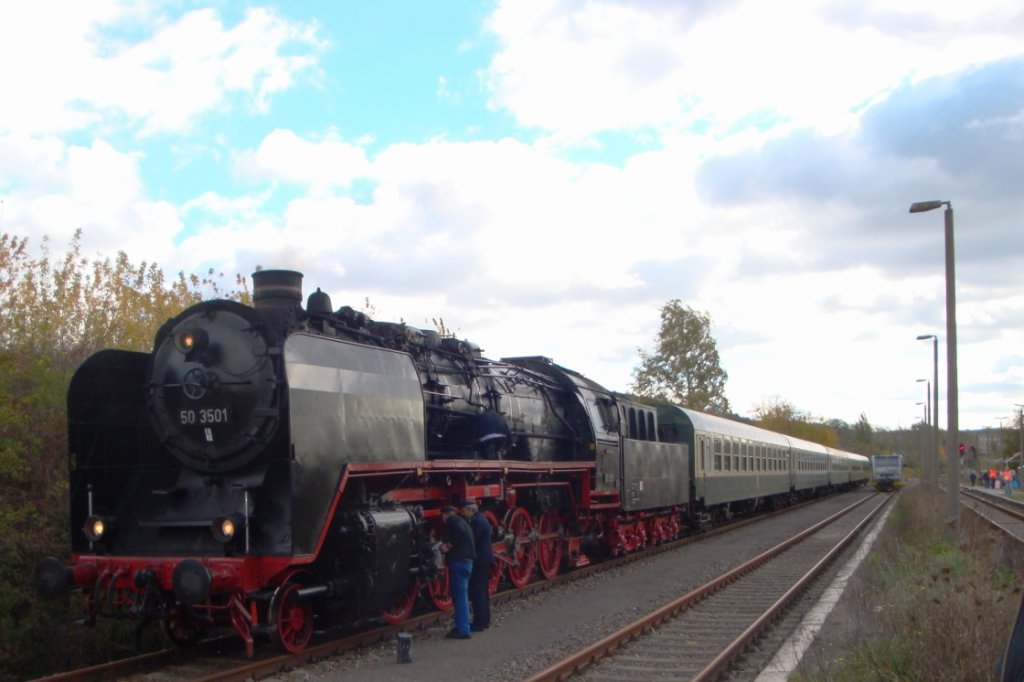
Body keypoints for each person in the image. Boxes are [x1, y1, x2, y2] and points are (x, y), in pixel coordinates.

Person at [440, 505, 474, 639]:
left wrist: (447, 546)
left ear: (445, 515)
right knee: (462, 595)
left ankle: (463, 629)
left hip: (459, 562)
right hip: (466, 562)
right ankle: (462, 625)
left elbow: (458, 532)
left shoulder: (453, 521)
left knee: (460, 596)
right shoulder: (463, 521)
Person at [461, 500, 494, 631]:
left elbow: (472, 540)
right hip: (483, 560)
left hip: (480, 561)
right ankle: (484, 620)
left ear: (471, 510)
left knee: (478, 591)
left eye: (464, 511)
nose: (463, 514)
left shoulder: (477, 522)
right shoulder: (481, 519)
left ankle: (480, 622)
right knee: (482, 591)